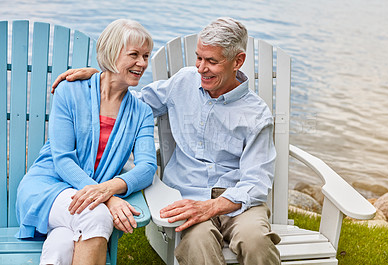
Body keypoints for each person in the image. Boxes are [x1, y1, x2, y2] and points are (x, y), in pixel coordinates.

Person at [52, 17, 281, 265]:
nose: (201, 68)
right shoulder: (184, 82)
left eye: (212, 61)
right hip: (188, 196)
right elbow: (133, 101)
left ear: (238, 61)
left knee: (256, 240)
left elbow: (256, 181)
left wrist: (213, 206)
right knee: (198, 243)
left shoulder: (257, 115)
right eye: (199, 58)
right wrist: (103, 75)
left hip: (238, 201)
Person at [16, 19, 157, 265]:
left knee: (61, 245)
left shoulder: (142, 112)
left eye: (146, 56)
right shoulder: (69, 92)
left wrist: (109, 189)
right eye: (134, 55)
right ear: (112, 54)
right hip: (48, 187)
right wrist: (105, 198)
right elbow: (63, 160)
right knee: (98, 218)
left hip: (84, 201)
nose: (142, 63)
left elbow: (146, 168)